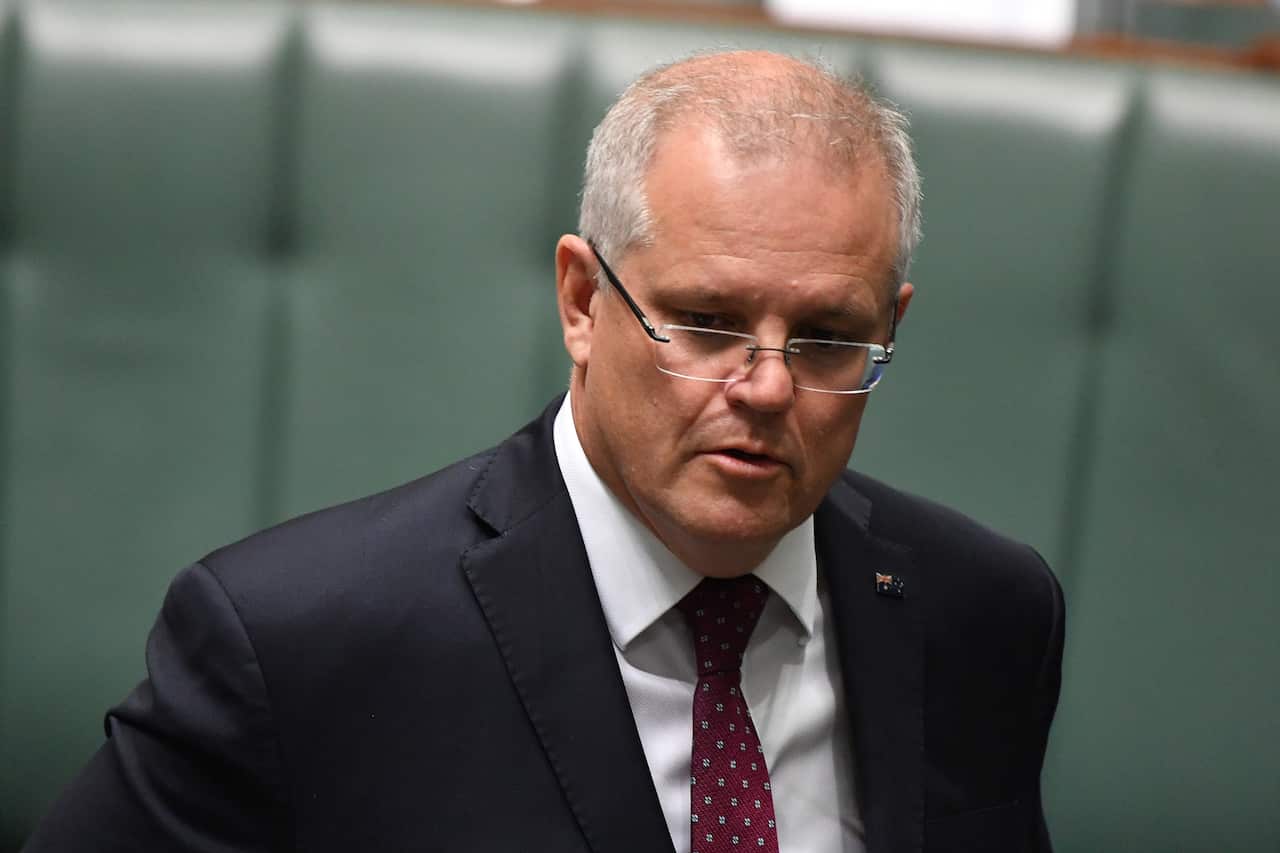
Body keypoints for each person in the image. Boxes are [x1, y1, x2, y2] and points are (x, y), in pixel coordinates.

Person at [24, 50, 1063, 853]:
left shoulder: (981, 615)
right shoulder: (296, 643)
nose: (765, 387)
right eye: (704, 322)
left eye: (829, 337)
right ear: (580, 300)